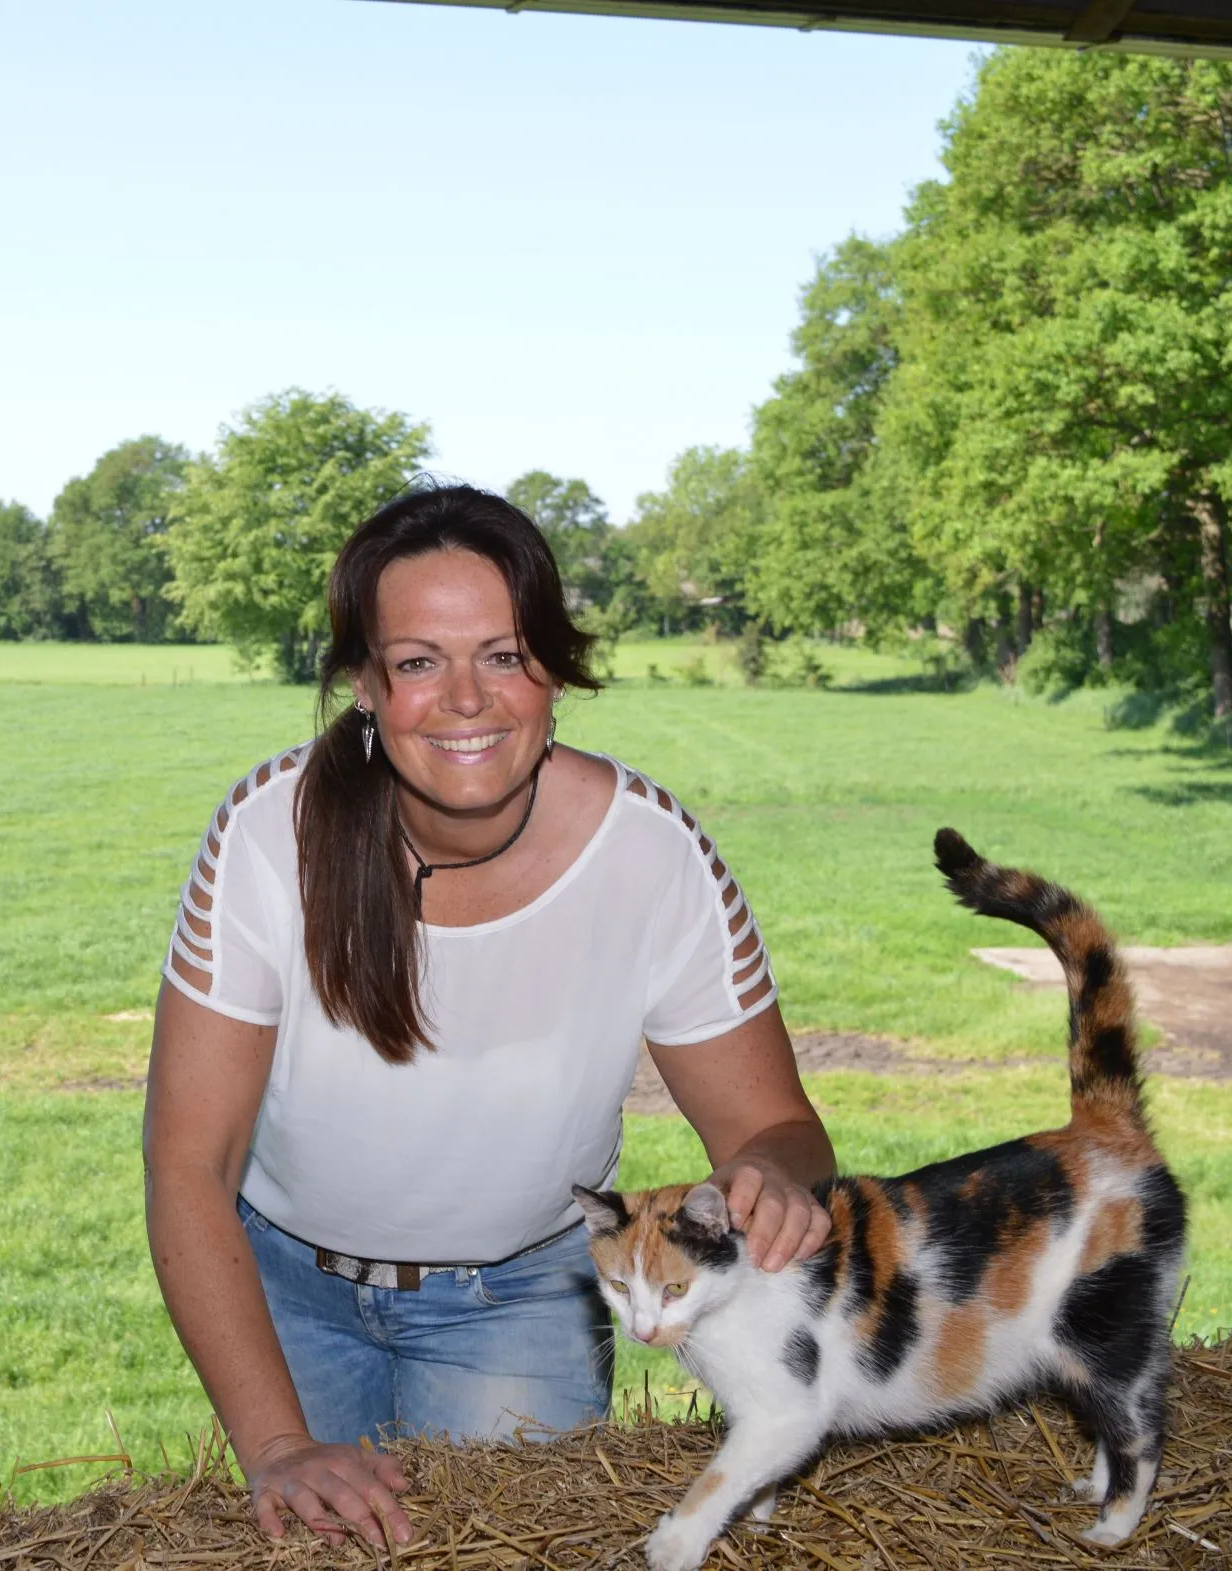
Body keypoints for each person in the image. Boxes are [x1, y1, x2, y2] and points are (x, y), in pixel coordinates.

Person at [141, 484, 835, 1552]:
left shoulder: (652, 852)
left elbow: (772, 1126)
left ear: (553, 671)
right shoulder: (266, 832)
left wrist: (779, 1178)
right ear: (366, 686)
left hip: (522, 1305)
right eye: (418, 661)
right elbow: (190, 1160)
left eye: (503, 654)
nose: (466, 697)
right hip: (286, 1293)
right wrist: (278, 1442)